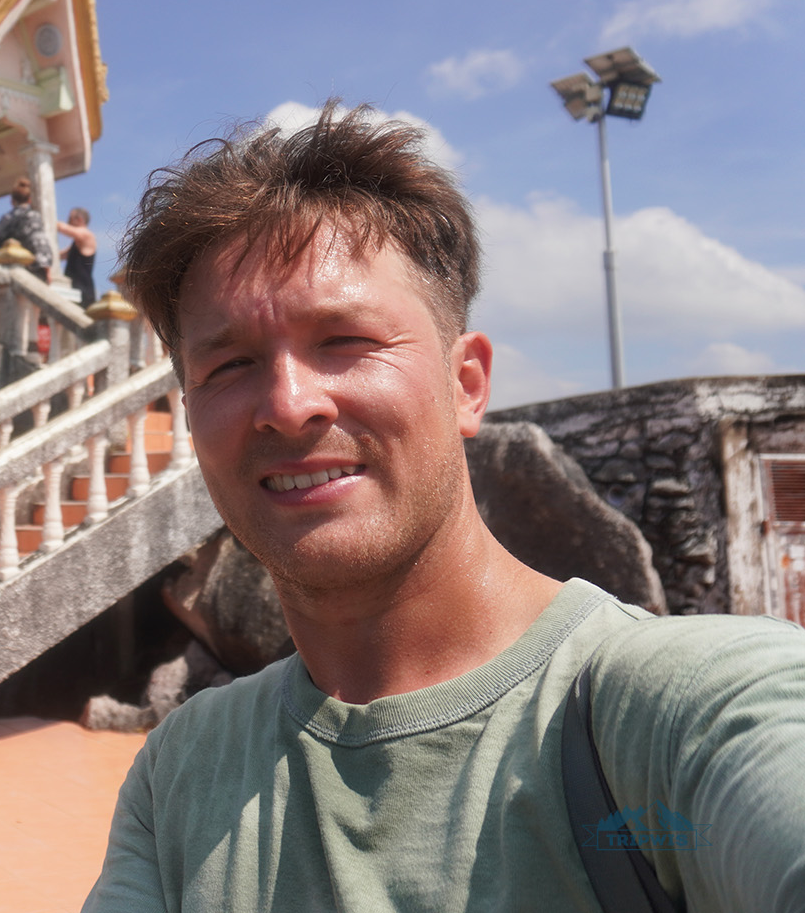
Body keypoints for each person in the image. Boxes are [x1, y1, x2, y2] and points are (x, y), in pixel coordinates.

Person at [83, 102, 805, 912]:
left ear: (467, 385)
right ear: (188, 414)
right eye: (229, 366)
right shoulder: (181, 773)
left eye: (345, 340)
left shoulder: (682, 709)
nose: (286, 406)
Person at [0, 176, 55, 280]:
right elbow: (39, 242)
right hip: (26, 272)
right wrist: (45, 268)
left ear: (12, 200)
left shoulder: (7, 217)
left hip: (4, 271)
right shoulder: (32, 216)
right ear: (30, 200)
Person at [57, 206, 98, 307]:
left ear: (79, 219)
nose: (68, 222)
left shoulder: (87, 235)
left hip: (82, 291)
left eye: (70, 219)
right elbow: (60, 256)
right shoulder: (77, 243)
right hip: (74, 290)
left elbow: (62, 227)